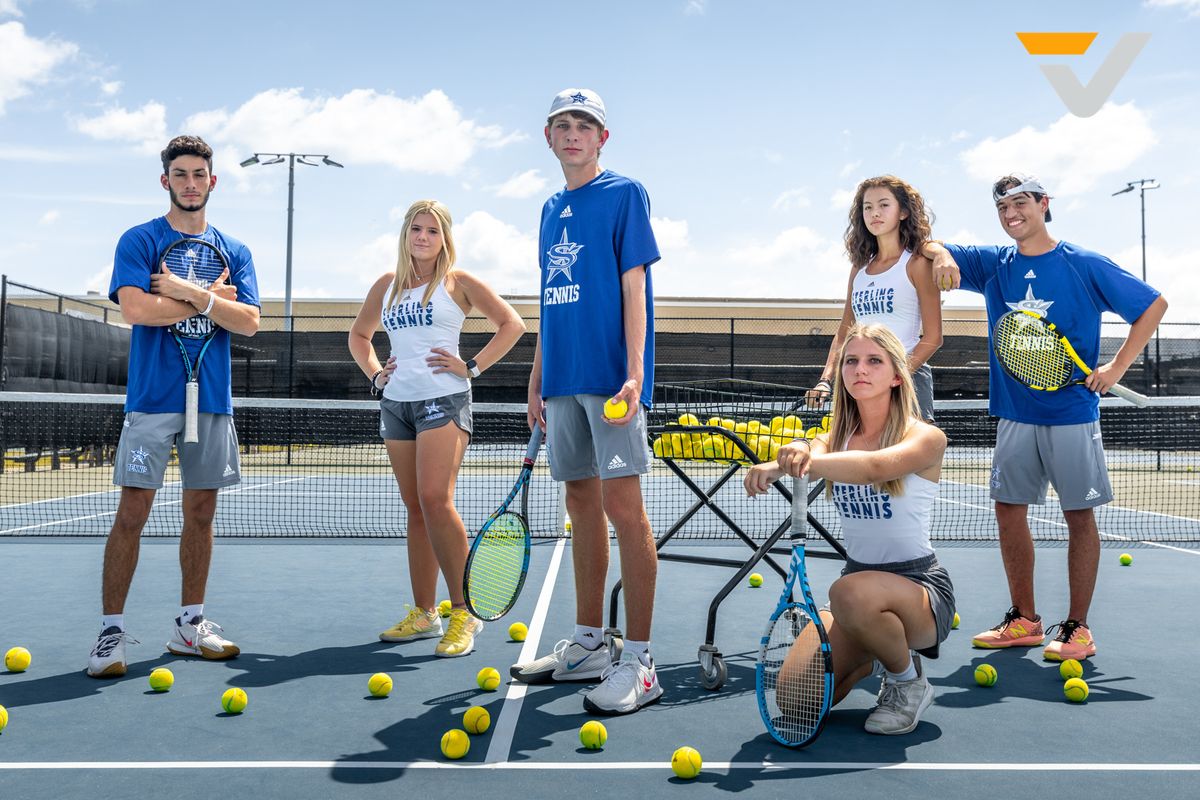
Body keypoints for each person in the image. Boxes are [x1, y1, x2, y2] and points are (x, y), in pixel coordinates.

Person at [923, 174, 1167, 661]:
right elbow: (926, 241)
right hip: (1015, 414)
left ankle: (1078, 628)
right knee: (1008, 511)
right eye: (1003, 207)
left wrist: (1116, 367)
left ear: (1043, 204)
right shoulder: (994, 264)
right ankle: (1024, 620)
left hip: (1072, 415)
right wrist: (943, 256)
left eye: (1021, 203)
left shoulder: (1083, 264)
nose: (1012, 213)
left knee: (1078, 516)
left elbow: (1154, 304)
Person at [509, 88, 662, 716]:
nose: (573, 134)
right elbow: (552, 298)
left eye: (585, 125)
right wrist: (538, 377)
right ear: (548, 138)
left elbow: (635, 286)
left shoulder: (625, 194)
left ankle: (642, 661)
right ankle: (593, 644)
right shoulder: (549, 209)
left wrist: (633, 374)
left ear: (603, 138)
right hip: (562, 380)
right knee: (580, 505)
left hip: (611, 382)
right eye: (562, 125)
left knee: (625, 508)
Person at [88, 135, 261, 678]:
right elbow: (136, 309)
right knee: (132, 513)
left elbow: (250, 321)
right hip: (152, 399)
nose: (191, 183)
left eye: (199, 174)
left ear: (214, 182)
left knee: (201, 514)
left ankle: (190, 627)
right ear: (166, 180)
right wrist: (215, 300)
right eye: (180, 174)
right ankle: (110, 633)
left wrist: (187, 290)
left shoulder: (237, 250)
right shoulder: (139, 240)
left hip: (210, 400)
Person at [745, 323, 954, 735]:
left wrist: (801, 460)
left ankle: (907, 682)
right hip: (858, 589)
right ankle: (876, 648)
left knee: (847, 591)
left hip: (919, 590)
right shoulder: (833, 439)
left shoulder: (927, 437)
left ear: (897, 375)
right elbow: (815, 446)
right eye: (852, 361)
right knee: (795, 702)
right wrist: (798, 451)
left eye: (875, 361)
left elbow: (874, 467)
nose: (861, 369)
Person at [349, 199, 524, 658]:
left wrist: (472, 367)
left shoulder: (458, 283)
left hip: (443, 400)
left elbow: (513, 324)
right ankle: (426, 612)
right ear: (405, 236)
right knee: (415, 508)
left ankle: (464, 612)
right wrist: (375, 374)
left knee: (434, 499)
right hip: (397, 404)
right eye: (415, 230)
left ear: (444, 237)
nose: (423, 238)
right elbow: (359, 336)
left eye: (432, 231)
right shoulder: (386, 286)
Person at [807, 176, 943, 421]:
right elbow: (844, 333)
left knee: (907, 458)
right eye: (867, 207)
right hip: (862, 383)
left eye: (883, 205)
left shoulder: (917, 264)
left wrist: (895, 377)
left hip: (906, 384)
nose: (874, 213)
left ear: (902, 212)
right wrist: (825, 380)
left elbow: (934, 338)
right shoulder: (859, 268)